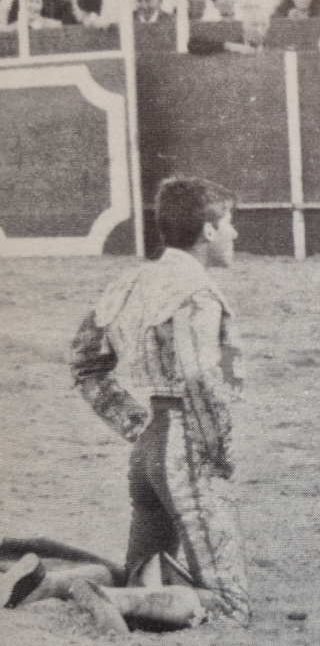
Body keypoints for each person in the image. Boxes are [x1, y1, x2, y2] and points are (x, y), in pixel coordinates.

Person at [1, 177, 251, 634]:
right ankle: (105, 597)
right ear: (209, 231)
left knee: (145, 573)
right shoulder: (198, 291)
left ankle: (52, 585)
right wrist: (220, 453)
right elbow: (199, 381)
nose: (235, 233)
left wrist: (140, 427)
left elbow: (83, 361)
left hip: (149, 448)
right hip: (187, 450)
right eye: (229, 222)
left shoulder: (131, 281)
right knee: (230, 604)